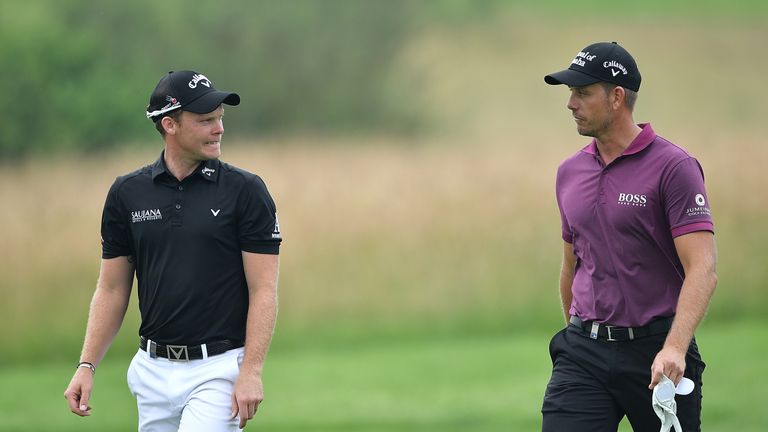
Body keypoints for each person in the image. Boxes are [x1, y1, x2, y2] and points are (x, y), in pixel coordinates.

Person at [64, 70, 282, 431]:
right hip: (151, 372)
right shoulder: (126, 194)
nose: (219, 129)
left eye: (220, 119)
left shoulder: (245, 191)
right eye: (205, 120)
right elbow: (112, 289)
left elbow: (264, 289)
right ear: (170, 125)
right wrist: (86, 365)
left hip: (218, 369)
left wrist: (251, 371)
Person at [540, 42, 717, 431]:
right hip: (583, 354)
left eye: (582, 92)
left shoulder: (674, 168)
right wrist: (578, 331)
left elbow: (702, 268)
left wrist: (675, 346)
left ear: (617, 97)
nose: (571, 103)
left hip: (656, 353)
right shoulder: (569, 173)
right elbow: (572, 263)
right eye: (571, 93)